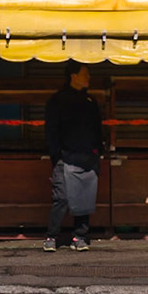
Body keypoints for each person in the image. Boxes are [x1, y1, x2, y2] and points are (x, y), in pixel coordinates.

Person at [44, 63, 102, 251]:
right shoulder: (57, 100)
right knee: (61, 197)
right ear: (73, 76)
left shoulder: (90, 101)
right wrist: (56, 155)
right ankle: (52, 236)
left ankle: (80, 237)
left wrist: (97, 151)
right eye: (85, 74)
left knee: (85, 196)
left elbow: (97, 129)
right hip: (64, 157)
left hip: (87, 156)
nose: (88, 78)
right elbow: (51, 130)